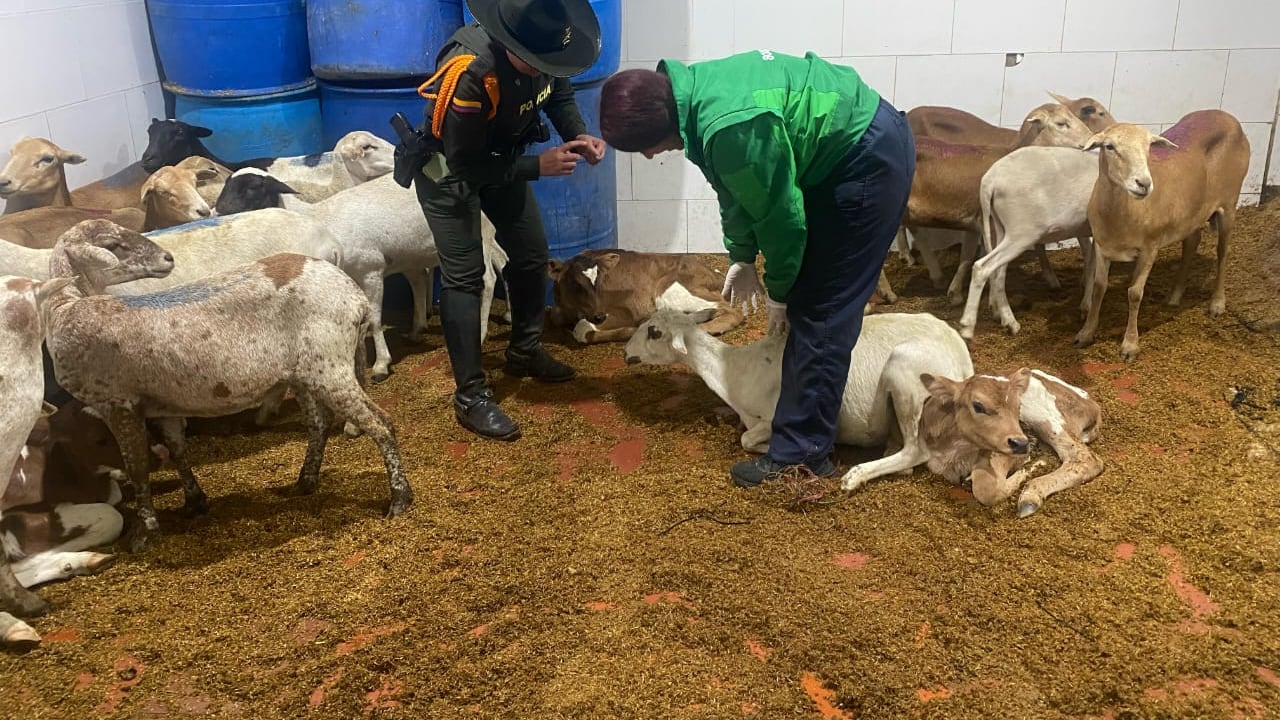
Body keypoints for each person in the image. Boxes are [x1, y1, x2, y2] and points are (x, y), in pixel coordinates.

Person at [598, 51, 915, 487]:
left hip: (864, 159)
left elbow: (784, 220)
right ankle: (797, 409)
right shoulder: (692, 97)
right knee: (810, 298)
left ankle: (802, 454)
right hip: (846, 148)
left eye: (645, 148)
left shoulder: (731, 125)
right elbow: (733, 190)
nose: (651, 157)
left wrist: (779, 292)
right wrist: (742, 255)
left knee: (822, 309)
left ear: (656, 130)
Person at [411, 0, 608, 441]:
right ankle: (471, 396)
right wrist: (537, 167)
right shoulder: (471, 73)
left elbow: (556, 90)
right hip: (449, 172)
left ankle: (524, 352)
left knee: (531, 253)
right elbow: (463, 165)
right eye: (538, 62)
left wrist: (576, 133)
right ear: (511, 42)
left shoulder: (546, 51)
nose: (545, 68)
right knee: (466, 277)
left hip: (503, 160)